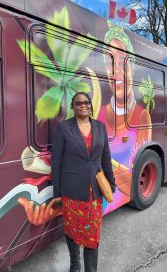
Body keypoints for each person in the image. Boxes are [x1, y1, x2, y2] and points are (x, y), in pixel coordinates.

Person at [51, 92, 115, 272]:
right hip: (71, 191)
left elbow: (105, 157)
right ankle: (75, 264)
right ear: (72, 106)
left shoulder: (100, 127)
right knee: (72, 230)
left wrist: (111, 183)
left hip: (94, 191)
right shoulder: (64, 128)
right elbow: (57, 161)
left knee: (92, 234)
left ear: (90, 105)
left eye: (86, 102)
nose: (83, 105)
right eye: (78, 103)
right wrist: (57, 192)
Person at [98, 21, 152, 214]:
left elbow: (132, 180)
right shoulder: (98, 112)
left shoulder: (143, 116)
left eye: (123, 62)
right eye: (110, 62)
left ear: (133, 69)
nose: (117, 70)